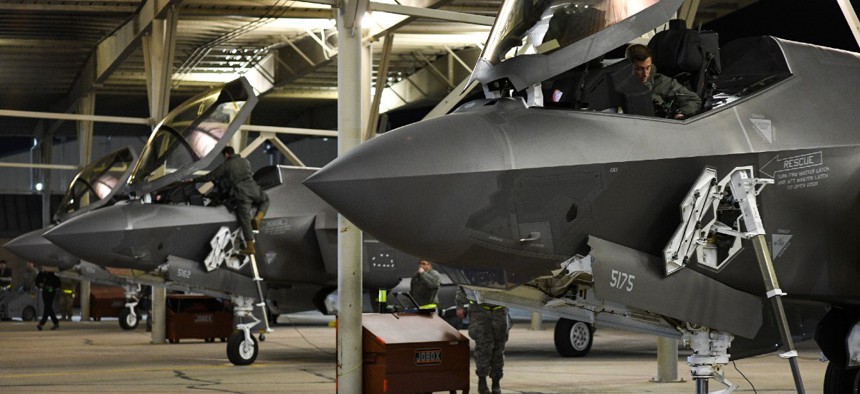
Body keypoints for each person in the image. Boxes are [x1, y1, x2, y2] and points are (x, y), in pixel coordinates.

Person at [192, 146, 269, 255]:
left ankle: (250, 247)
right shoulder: (245, 161)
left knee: (245, 219)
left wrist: (195, 180)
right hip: (254, 188)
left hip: (242, 194)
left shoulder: (226, 165)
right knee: (265, 200)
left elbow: (211, 176)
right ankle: (258, 218)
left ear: (226, 155)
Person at [625, 43, 702, 119]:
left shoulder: (662, 82)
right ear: (628, 67)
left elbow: (694, 100)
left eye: (648, 67)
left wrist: (680, 113)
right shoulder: (619, 86)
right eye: (639, 69)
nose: (645, 74)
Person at [456, 286, 509, 394]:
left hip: (499, 311)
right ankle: (482, 382)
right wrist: (460, 305)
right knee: (483, 347)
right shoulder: (478, 270)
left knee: (499, 349)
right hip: (479, 311)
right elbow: (463, 285)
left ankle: (496, 382)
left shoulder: (503, 270)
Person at [35, 266, 61, 330]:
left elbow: (58, 283)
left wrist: (52, 286)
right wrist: (40, 285)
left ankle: (42, 323)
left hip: (51, 292)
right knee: (48, 307)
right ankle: (55, 322)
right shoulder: (41, 273)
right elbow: (37, 281)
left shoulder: (53, 274)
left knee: (48, 306)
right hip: (45, 292)